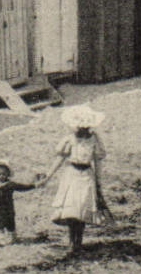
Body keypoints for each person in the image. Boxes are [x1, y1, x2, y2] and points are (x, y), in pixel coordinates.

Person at [42, 105, 111, 256]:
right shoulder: (70, 139)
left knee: (81, 212)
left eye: (86, 127)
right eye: (80, 127)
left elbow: (98, 162)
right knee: (71, 212)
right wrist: (48, 175)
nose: (83, 129)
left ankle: (78, 242)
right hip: (71, 175)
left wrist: (98, 183)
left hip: (86, 176)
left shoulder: (95, 140)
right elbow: (60, 158)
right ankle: (71, 242)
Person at [0, 162, 39, 245]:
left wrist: (33, 186)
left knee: (10, 222)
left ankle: (12, 236)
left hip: (8, 208)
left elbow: (22, 187)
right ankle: (1, 236)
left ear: (8, 174)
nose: (1, 176)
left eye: (4, 174)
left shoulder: (10, 185)